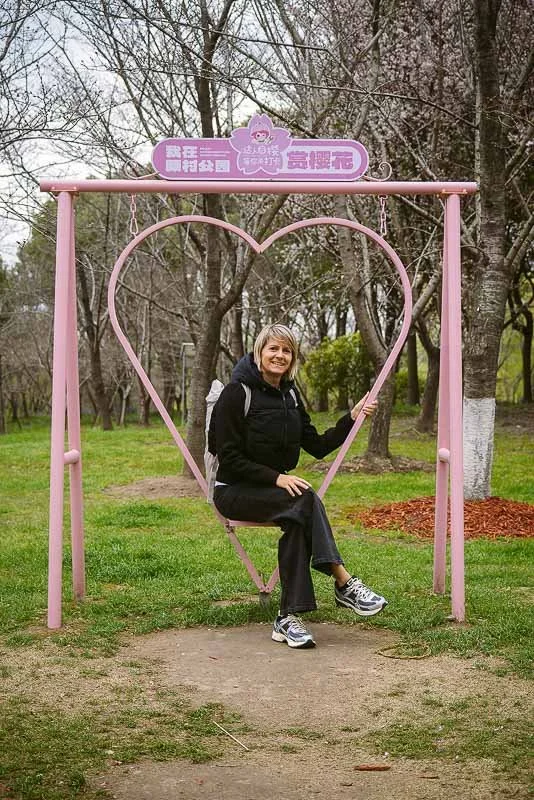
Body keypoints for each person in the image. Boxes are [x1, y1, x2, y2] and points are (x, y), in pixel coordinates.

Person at [211, 323, 387, 650]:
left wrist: (351, 417)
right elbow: (229, 457)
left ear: (293, 358)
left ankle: (287, 617)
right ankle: (344, 582)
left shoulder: (290, 395)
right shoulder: (236, 394)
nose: (280, 355)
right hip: (234, 490)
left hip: (274, 494)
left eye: (287, 351)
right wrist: (277, 478)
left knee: (297, 517)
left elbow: (317, 445)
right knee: (303, 499)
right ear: (259, 352)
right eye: (273, 349)